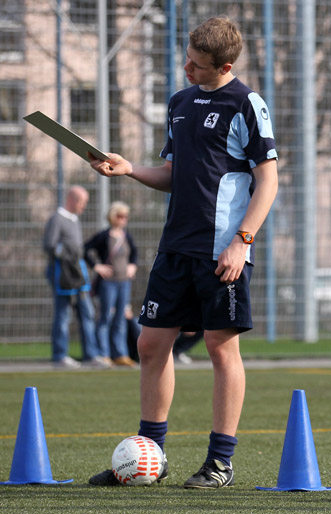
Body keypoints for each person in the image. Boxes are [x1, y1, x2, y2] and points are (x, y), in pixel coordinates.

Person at [87, 16, 278, 489]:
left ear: (225, 66)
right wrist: (129, 170)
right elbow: (173, 174)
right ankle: (150, 456)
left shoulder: (246, 103)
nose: (186, 70)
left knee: (220, 347)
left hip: (223, 252)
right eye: (186, 60)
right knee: (150, 345)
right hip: (175, 247)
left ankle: (220, 462)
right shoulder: (180, 101)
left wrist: (242, 242)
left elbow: (268, 181)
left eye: (196, 66)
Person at [43, 185, 106, 369]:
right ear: (72, 200)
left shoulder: (74, 220)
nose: (84, 206)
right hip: (62, 275)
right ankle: (60, 355)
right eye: (82, 202)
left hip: (78, 276)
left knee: (87, 313)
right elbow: (50, 245)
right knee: (63, 315)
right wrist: (68, 255)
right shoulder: (57, 219)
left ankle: (91, 355)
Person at [84, 201, 138, 367]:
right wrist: (97, 266)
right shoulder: (104, 236)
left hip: (124, 282)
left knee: (121, 318)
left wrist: (132, 266)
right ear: (113, 217)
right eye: (120, 216)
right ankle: (103, 353)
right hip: (108, 283)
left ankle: (120, 353)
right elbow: (85, 249)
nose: (124, 220)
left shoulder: (126, 236)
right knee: (105, 317)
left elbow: (134, 252)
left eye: (126, 217)